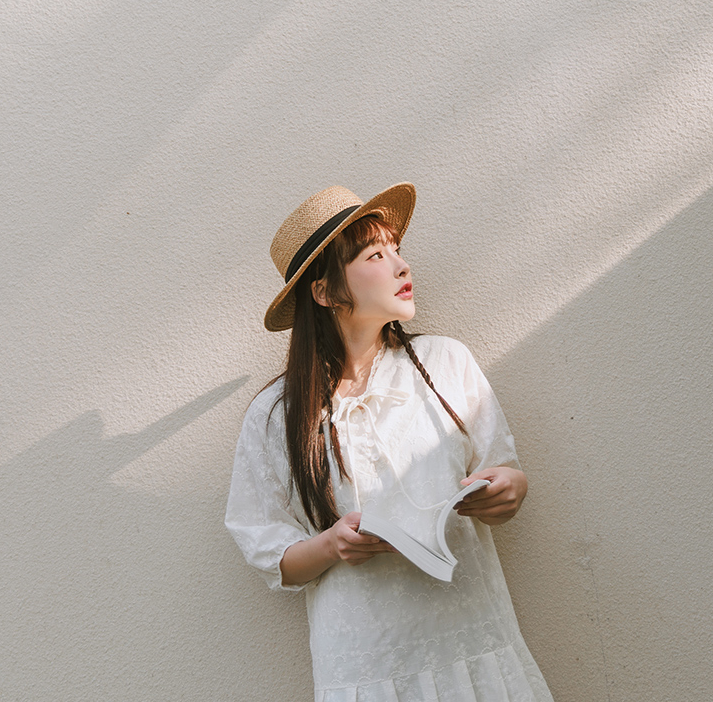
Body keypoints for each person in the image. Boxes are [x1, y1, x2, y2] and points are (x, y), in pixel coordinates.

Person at [225, 183, 553, 701]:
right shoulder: (276, 414)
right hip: (366, 659)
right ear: (325, 292)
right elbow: (265, 546)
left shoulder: (445, 362)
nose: (402, 266)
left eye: (397, 249)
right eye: (376, 255)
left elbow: (502, 468)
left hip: (472, 634)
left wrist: (509, 489)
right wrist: (332, 544)